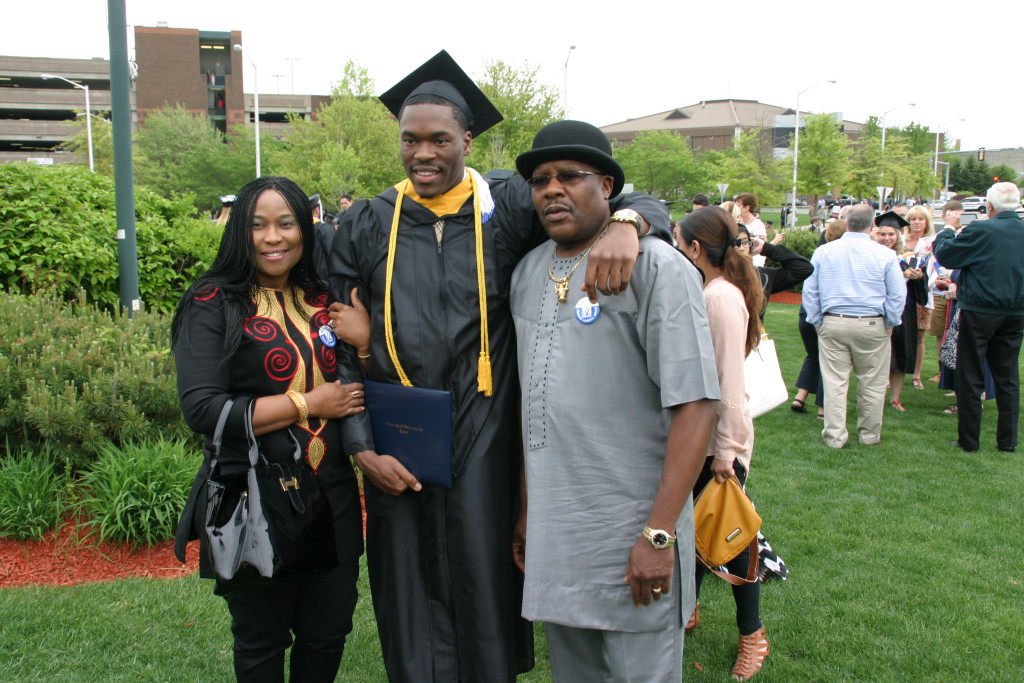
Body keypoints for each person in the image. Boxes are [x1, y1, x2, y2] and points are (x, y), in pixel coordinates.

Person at [327, 50, 669, 682]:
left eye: (438, 139)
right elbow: (342, 349)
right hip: (399, 439)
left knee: (484, 586)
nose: (422, 153)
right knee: (406, 591)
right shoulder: (368, 221)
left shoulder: (507, 208)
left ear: (467, 138)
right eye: (409, 139)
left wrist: (629, 222)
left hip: (488, 433)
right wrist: (360, 447)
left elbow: (623, 192)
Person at [509, 119, 719, 682]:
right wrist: (529, 513)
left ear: (607, 187)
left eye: (569, 177)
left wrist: (658, 533)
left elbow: (697, 406)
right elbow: (536, 407)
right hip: (558, 533)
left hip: (632, 530)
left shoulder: (657, 268)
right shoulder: (527, 272)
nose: (552, 189)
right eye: (540, 180)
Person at [172, 176, 367, 681]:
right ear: (240, 231)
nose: (272, 237)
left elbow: (365, 382)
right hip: (257, 494)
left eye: (286, 224)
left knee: (328, 633)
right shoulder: (213, 301)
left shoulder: (324, 297)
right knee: (262, 641)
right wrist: (309, 402)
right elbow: (204, 410)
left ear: (306, 230)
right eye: (258, 225)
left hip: (335, 492)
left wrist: (364, 345)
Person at [678, 207, 771, 681]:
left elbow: (728, 378)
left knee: (733, 537)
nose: (676, 250)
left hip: (718, 442)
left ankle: (753, 636)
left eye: (680, 242)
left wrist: (727, 450)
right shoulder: (714, 290)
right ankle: (687, 610)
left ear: (696, 249)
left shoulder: (719, 297)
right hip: (704, 437)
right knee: (696, 528)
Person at [802, 205, 904, 448]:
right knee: (872, 382)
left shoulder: (824, 252)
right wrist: (890, 321)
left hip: (834, 320)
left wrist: (817, 319)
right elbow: (898, 295)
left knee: (835, 382)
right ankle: (869, 435)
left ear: (846, 222)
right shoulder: (885, 255)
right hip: (871, 323)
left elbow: (810, 290)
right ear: (872, 226)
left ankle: (835, 436)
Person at [932, 182, 1024, 452]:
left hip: (980, 309)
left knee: (970, 372)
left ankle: (969, 440)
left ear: (991, 206)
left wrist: (948, 230)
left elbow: (947, 254)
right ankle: (1007, 442)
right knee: (1007, 375)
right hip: (1015, 311)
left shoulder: (982, 229)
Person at [792, 220, 845, 417]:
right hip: (822, 314)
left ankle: (800, 397)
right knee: (830, 361)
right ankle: (823, 407)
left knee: (814, 355)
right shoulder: (838, 257)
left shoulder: (819, 253)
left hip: (806, 312)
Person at [874, 212, 923, 412]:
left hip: (903, 311)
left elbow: (920, 293)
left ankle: (895, 399)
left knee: (901, 353)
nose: (887, 238)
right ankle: (874, 398)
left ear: (898, 235)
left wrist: (919, 278)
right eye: (883, 234)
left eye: (891, 234)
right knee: (876, 356)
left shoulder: (910, 257)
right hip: (876, 309)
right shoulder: (871, 254)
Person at [927, 201, 963, 382]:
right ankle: (943, 370)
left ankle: (955, 377)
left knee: (958, 336)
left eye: (959, 215)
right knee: (942, 332)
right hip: (941, 293)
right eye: (952, 215)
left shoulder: (969, 235)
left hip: (960, 293)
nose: (956, 219)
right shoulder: (941, 236)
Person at [903, 205, 936, 389]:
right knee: (896, 335)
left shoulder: (932, 242)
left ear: (926, 222)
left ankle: (916, 375)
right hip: (902, 293)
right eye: (913, 219)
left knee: (919, 336)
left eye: (920, 219)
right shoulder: (900, 240)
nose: (916, 222)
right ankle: (893, 372)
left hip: (922, 294)